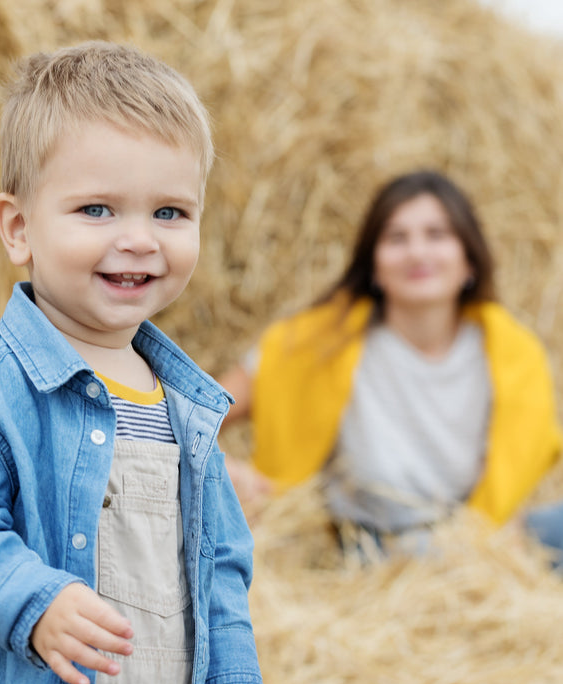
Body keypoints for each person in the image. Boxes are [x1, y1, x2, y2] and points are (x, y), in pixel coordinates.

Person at [0, 41, 263, 684]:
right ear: (18, 229)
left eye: (169, 212)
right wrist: (32, 601)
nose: (140, 238)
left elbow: (220, 566)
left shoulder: (188, 410)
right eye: (98, 209)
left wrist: (231, 682)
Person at [220, 170, 561, 553]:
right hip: (372, 548)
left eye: (437, 235)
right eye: (397, 238)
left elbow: (515, 472)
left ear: (469, 260)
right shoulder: (314, 344)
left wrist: (489, 536)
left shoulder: (515, 354)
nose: (417, 252)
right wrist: (224, 468)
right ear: (375, 266)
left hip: (474, 538)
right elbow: (194, 412)